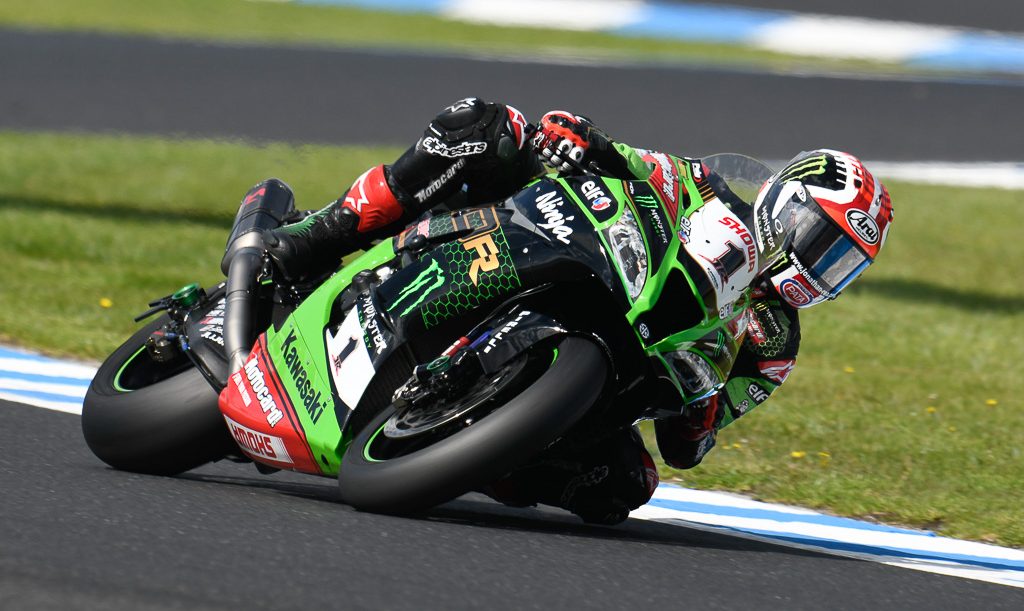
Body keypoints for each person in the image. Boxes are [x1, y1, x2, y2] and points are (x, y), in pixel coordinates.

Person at [259, 97, 894, 524]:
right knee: (489, 128)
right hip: (573, 257)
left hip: (623, 371)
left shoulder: (775, 343)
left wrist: (702, 412)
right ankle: (322, 233)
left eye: (842, 264)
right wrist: (577, 137)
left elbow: (689, 447)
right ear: (785, 203)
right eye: (821, 240)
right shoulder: (706, 186)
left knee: (625, 485)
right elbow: (631, 161)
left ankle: (464, 452)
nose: (821, 267)